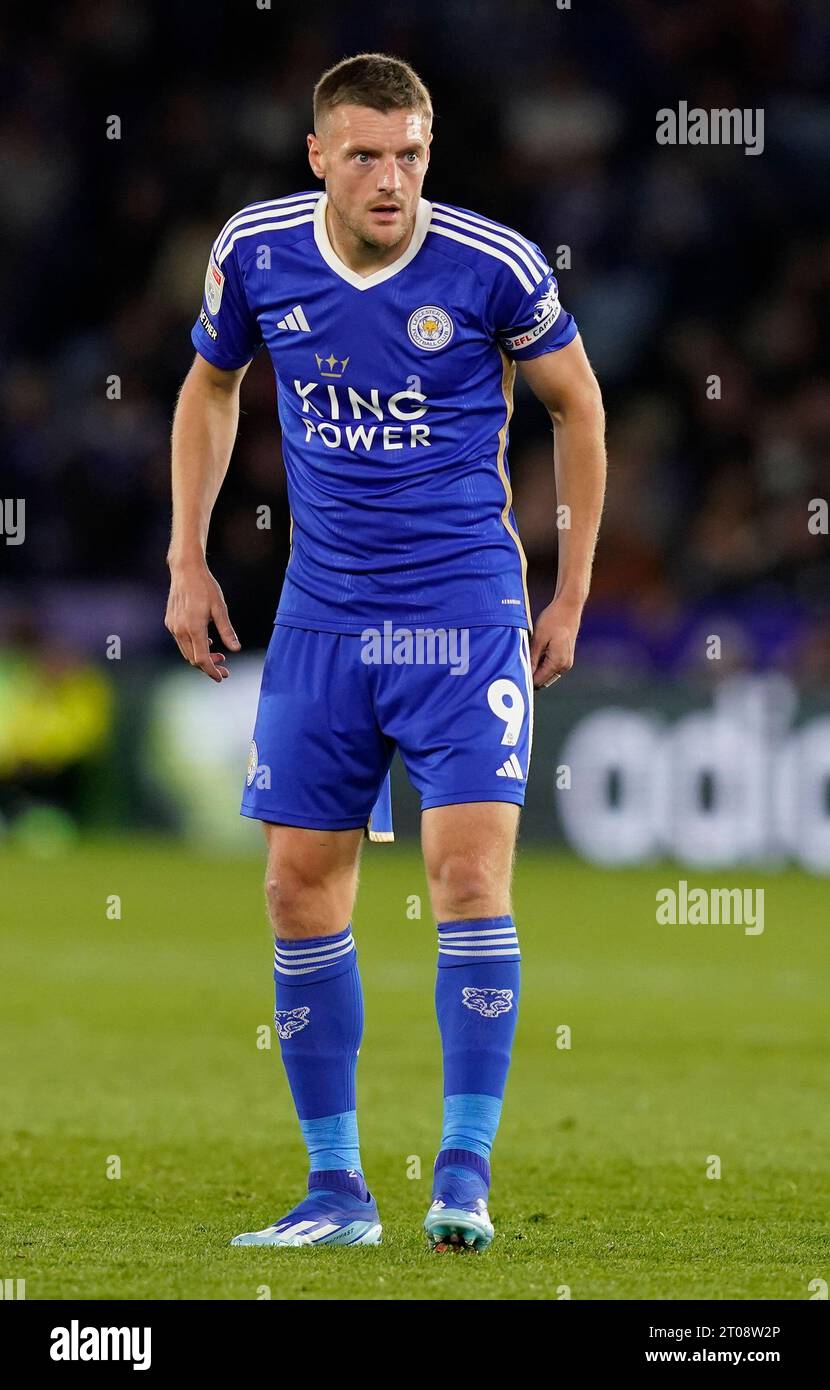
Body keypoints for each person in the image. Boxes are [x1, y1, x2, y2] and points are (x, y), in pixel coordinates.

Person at [165, 51, 606, 1252]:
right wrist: (186, 558)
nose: (391, 177)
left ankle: (461, 1171)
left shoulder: (492, 265)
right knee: (294, 888)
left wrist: (567, 589)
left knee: (465, 877)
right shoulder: (255, 249)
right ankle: (336, 1190)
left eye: (409, 153)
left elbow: (577, 404)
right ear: (317, 154)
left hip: (463, 615)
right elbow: (210, 385)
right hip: (321, 618)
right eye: (364, 153)